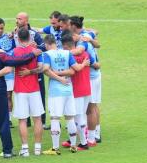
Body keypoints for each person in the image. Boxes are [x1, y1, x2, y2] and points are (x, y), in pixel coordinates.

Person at [42, 34, 89, 155]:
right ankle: (73, 146)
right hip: (68, 89)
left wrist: (58, 78)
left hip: (56, 91)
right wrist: (83, 64)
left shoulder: (47, 54)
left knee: (55, 118)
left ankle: (55, 148)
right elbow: (75, 69)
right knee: (70, 118)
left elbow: (46, 69)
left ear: (47, 44)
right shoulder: (66, 53)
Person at [61, 34, 97, 150]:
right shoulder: (86, 53)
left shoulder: (69, 57)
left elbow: (71, 71)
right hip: (87, 88)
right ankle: (73, 139)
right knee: (80, 116)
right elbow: (94, 63)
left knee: (78, 117)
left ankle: (83, 143)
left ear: (66, 47)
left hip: (77, 90)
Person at [70, 16, 102, 145]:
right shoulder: (86, 34)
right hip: (90, 77)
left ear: (73, 27)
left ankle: (92, 137)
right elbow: (96, 32)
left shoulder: (83, 41)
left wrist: (58, 53)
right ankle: (95, 134)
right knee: (90, 107)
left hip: (92, 77)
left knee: (90, 107)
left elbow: (80, 51)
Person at [13, 27, 45, 157]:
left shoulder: (14, 52)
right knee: (37, 119)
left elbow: (10, 66)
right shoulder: (36, 51)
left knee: (22, 120)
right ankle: (37, 148)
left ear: (18, 38)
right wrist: (31, 72)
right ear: (30, 38)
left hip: (20, 90)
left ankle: (25, 149)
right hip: (34, 89)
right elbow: (41, 68)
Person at [14, 12, 48, 129]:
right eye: (17, 18)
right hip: (20, 69)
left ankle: (42, 120)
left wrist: (37, 47)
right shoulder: (14, 33)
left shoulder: (34, 34)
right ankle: (26, 121)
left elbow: (44, 46)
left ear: (26, 21)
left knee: (39, 94)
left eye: (19, 19)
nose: (17, 20)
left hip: (34, 67)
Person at [0, 17, 15, 127]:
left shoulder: (9, 38)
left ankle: (9, 119)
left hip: (8, 73)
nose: (0, 31)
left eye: (1, 28)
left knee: (8, 96)